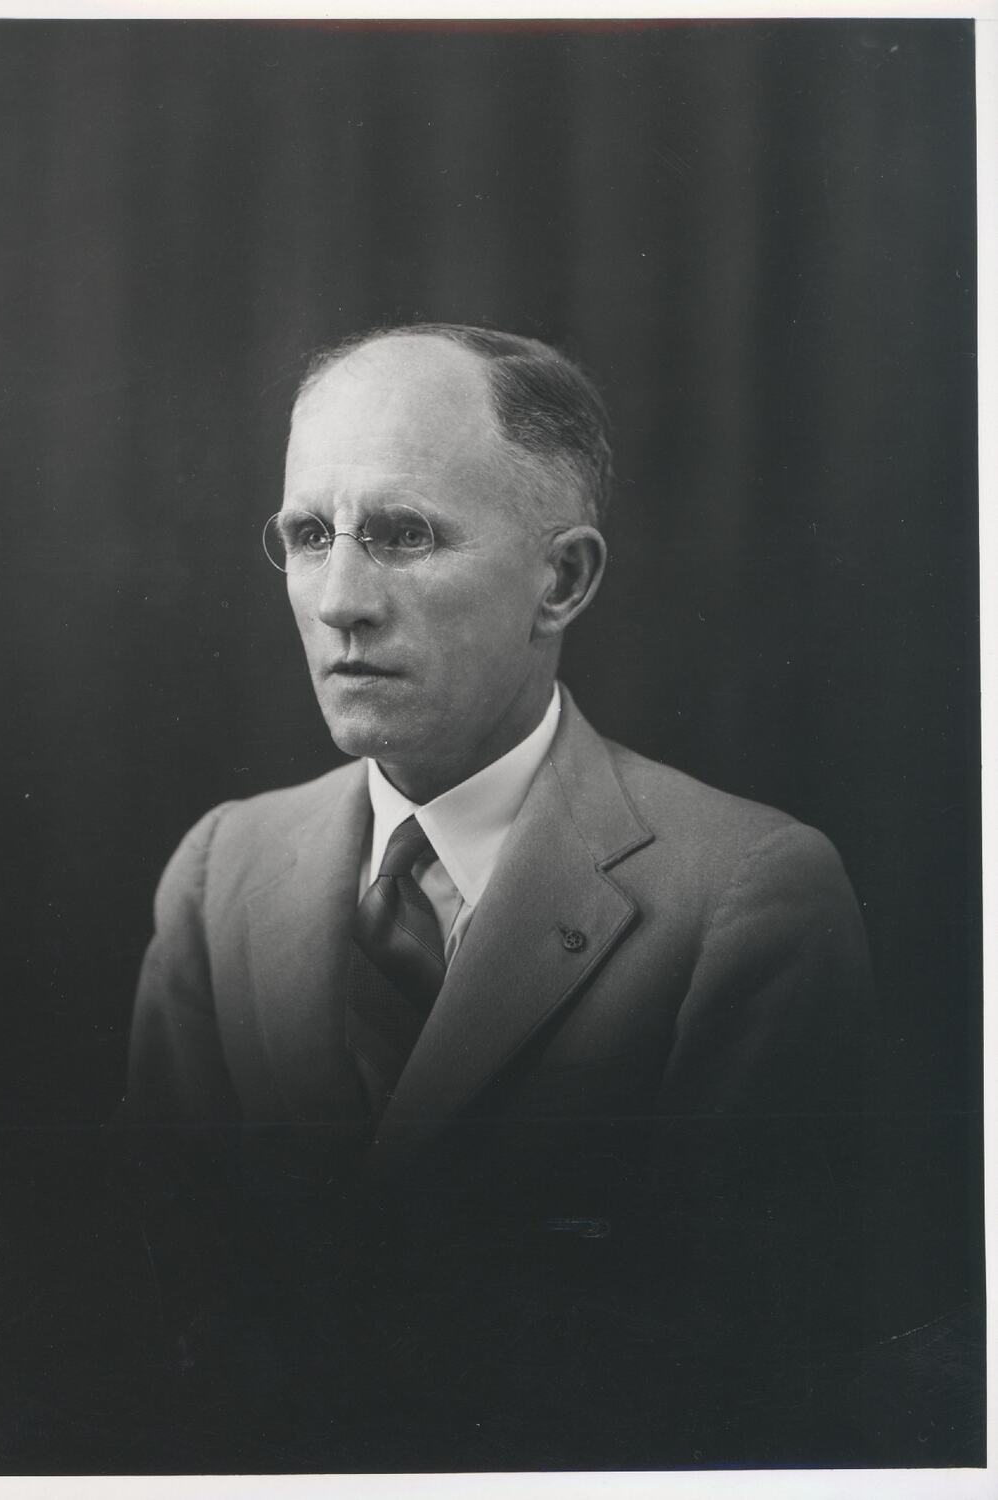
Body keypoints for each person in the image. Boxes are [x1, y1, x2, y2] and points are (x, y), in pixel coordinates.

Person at [117, 324, 874, 1469]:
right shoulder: (223, 869)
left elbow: (746, 1385)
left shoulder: (747, 898)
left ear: (560, 580)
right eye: (310, 535)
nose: (339, 601)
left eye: (403, 534)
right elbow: (142, 1304)